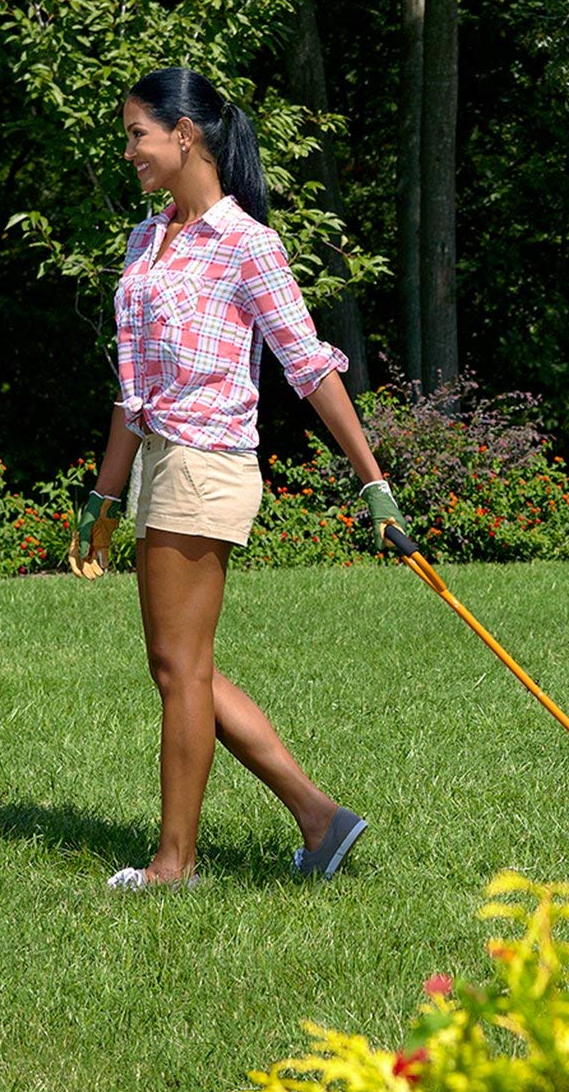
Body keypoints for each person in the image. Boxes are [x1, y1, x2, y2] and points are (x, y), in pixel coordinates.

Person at [69, 66, 401, 889]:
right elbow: (133, 389)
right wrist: (103, 499)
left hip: (208, 462)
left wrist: (373, 483)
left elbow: (308, 365)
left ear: (184, 135)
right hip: (159, 462)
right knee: (180, 668)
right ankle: (320, 820)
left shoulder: (246, 243)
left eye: (138, 135)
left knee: (180, 669)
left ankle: (174, 863)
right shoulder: (146, 240)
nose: (129, 151)